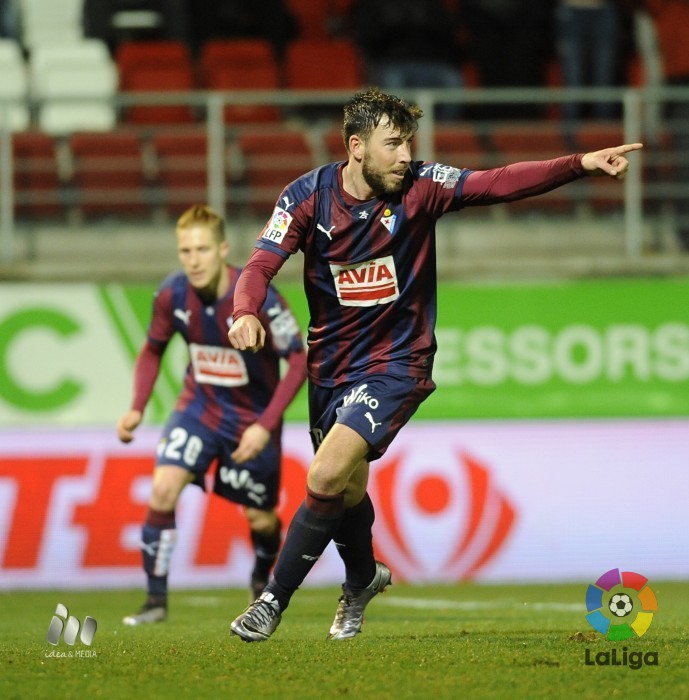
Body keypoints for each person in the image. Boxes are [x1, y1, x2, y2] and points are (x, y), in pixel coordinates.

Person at [226, 88, 642, 642]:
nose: (405, 155)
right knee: (345, 491)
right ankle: (362, 579)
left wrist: (579, 165)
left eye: (408, 144)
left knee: (325, 474)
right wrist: (244, 311)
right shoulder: (306, 197)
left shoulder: (422, 186)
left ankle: (270, 604)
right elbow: (260, 262)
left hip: (399, 360)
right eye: (392, 144)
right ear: (356, 147)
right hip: (331, 365)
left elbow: (496, 181)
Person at [117, 204, 307, 625]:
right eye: (185, 251)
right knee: (163, 489)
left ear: (222, 249)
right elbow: (152, 349)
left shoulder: (259, 296)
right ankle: (155, 601)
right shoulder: (172, 294)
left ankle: (262, 579)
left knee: (260, 519)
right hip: (199, 409)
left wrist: (265, 424)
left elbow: (298, 361)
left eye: (202, 249)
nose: (193, 260)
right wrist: (136, 408)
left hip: (252, 419)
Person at [346, 0, 464, 120]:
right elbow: (366, 37)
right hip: (391, 62)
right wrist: (396, 29)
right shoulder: (374, 3)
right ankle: (402, 127)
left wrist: (424, 29)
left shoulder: (431, 3)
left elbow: (447, 32)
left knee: (452, 79)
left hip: (429, 62)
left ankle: (444, 130)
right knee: (393, 81)